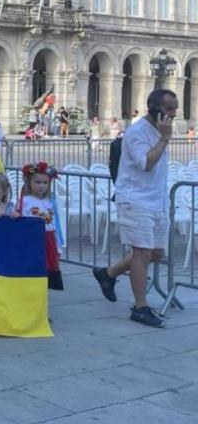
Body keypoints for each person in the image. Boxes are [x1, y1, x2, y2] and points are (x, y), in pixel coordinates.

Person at [93, 89, 177, 327]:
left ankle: (107, 274)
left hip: (157, 198)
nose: (174, 113)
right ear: (155, 109)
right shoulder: (137, 132)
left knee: (156, 254)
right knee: (142, 252)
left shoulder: (161, 129)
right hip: (135, 199)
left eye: (175, 107)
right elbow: (147, 164)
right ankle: (140, 307)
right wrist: (164, 138)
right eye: (169, 108)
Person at [18, 162, 63, 291]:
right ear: (29, 182)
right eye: (37, 182)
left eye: (45, 183)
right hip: (33, 240)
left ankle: (41, 293)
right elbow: (20, 221)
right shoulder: (25, 201)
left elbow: (55, 224)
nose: (41, 186)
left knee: (47, 270)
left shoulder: (49, 202)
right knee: (34, 269)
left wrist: (58, 245)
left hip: (49, 240)